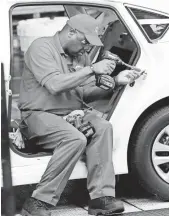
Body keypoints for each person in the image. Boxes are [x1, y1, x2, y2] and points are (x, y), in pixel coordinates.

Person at [17, 14, 141, 216]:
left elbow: (85, 93)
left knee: (103, 127)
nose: (86, 49)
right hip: (38, 115)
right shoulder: (41, 47)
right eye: (85, 42)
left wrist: (117, 80)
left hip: (71, 114)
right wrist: (92, 69)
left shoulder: (80, 56)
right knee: (74, 138)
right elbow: (54, 85)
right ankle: (38, 202)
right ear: (71, 32)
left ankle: (101, 198)